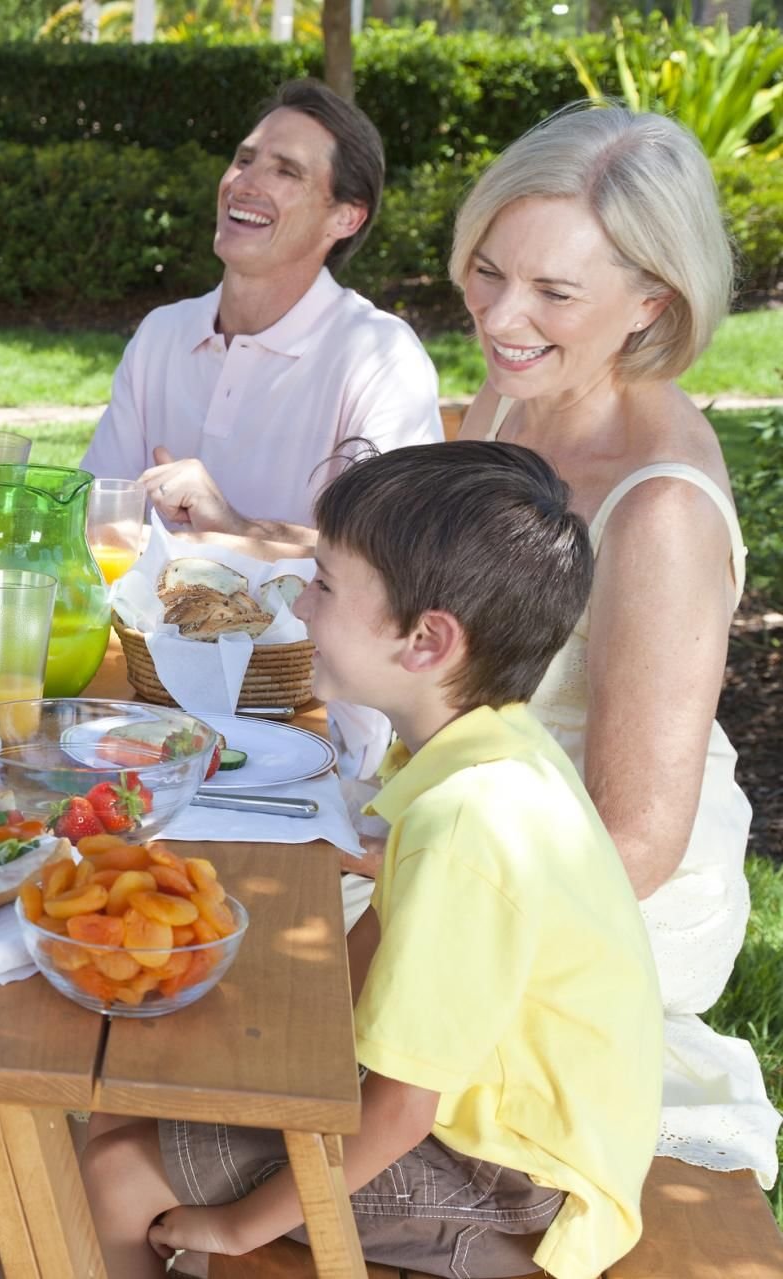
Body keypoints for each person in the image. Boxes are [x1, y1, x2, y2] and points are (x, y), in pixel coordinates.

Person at [79, 442, 661, 1279]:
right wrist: (277, 1049)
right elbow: (380, 943)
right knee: (128, 1107)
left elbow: (398, 1111)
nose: (299, 606)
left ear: (426, 640)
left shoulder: (468, 823)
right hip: (503, 1138)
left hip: (510, 1190)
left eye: (322, 584)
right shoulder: (488, 749)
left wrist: (242, 1224)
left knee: (119, 1167)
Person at [448, 105, 779, 1185]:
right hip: (482, 808)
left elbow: (633, 841)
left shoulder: (660, 510)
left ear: (652, 303)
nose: (501, 316)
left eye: (553, 292)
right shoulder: (522, 384)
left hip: (596, 890)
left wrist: (413, 884)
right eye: (489, 269)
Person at [80, 80, 441, 540]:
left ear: (346, 217)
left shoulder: (381, 358)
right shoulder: (161, 334)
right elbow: (92, 515)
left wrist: (236, 529)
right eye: (244, 159)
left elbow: (393, 556)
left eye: (286, 172)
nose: (244, 183)